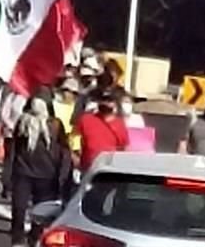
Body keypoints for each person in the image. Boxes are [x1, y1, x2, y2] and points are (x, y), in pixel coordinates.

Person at [9, 98, 72, 247]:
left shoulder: (55, 124)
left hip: (47, 175)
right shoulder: (23, 122)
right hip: (23, 172)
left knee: (41, 213)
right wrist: (7, 173)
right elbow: (14, 148)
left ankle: (34, 237)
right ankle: (17, 239)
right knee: (19, 207)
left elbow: (64, 149)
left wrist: (64, 173)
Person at [74, 89, 129, 173]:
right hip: (88, 170)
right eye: (103, 100)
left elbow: (124, 148)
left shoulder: (120, 124)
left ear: (115, 104)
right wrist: (76, 160)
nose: (105, 103)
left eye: (109, 101)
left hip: (109, 171)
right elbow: (74, 140)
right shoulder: (86, 119)